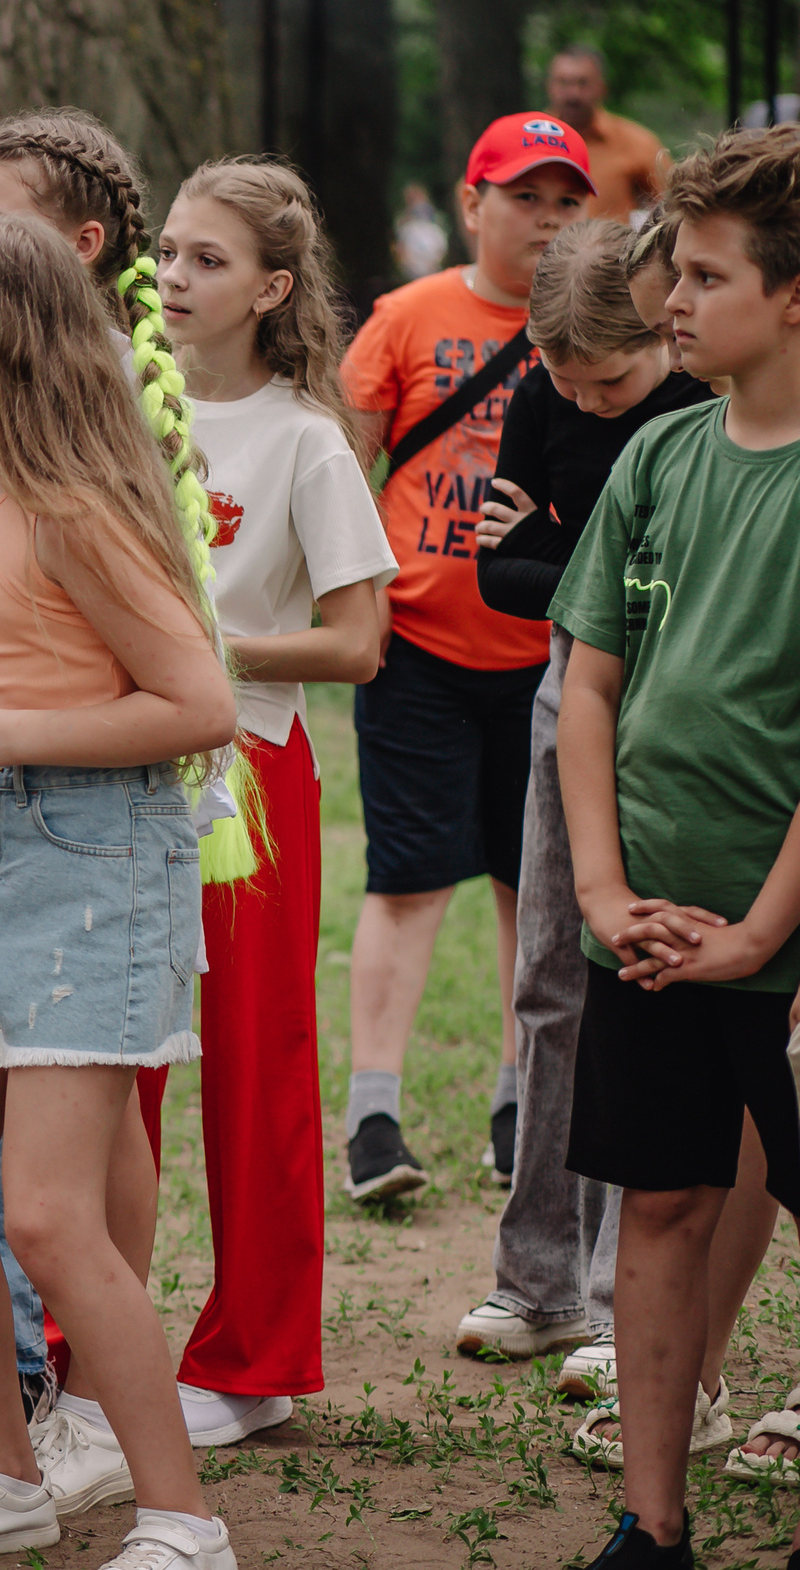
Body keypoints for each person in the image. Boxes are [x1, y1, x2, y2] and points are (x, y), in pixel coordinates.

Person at [0, 210, 240, 1570]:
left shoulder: (74, 497)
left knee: (50, 1214)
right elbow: (25, 675)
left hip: (100, 861)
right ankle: (3, 1477)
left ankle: (183, 1516)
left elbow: (197, 704)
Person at [546, 124, 800, 1570]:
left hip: (776, 933)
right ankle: (654, 1519)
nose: (672, 303)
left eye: (706, 275)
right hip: (642, 922)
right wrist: (603, 888)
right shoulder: (658, 453)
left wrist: (763, 932)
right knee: (663, 1198)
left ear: (796, 293)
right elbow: (591, 684)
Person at [154, 159, 396, 1446]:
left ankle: (250, 1363)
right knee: (104, 1066)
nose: (176, 277)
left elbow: (357, 643)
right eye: (169, 252)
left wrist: (205, 653)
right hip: (112, 765)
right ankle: (88, 1349)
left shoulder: (305, 439)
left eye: (208, 259)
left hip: (248, 773)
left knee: (252, 1068)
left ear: (272, 289)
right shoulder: (116, 408)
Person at [454, 220, 711, 1389]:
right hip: (571, 688)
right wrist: (586, 567)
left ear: (661, 338)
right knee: (547, 972)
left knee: (637, 984)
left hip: (686, 701)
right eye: (560, 378)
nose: (582, 400)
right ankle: (536, 1280)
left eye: (606, 379)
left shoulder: (700, 406)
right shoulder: (544, 391)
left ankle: (617, 1298)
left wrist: (563, 551)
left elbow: (688, 591)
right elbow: (493, 574)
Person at [336, 110, 592, 1203]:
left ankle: (515, 1103)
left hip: (548, 655)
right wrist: (358, 606)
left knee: (525, 891)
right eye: (521, 195)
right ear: (471, 199)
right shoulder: (406, 316)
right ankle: (374, 1120)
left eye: (564, 199)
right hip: (420, 649)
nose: (542, 218)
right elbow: (342, 475)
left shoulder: (597, 325)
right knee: (404, 885)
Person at [546, 46, 669, 226]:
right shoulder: (530, 139)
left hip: (611, 252)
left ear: (602, 88)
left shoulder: (636, 142)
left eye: (583, 83)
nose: (573, 93)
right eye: (563, 83)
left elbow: (672, 206)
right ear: (550, 86)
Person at [394, 184, 447, 281]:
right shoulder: (403, 224)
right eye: (411, 199)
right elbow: (400, 250)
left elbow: (441, 247)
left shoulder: (436, 220)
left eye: (417, 197)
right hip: (412, 274)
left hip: (434, 272)